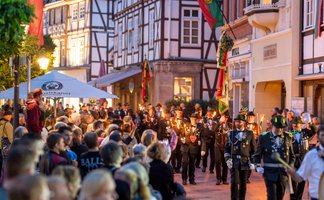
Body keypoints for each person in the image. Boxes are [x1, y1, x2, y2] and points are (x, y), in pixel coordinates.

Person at [254, 115, 295, 200]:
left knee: (280, 197)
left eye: (282, 128)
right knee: (272, 197)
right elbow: (257, 155)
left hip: (283, 174)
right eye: (278, 127)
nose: (280, 130)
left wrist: (290, 165)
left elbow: (292, 156)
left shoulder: (288, 137)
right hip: (269, 172)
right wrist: (257, 166)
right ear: (272, 125)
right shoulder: (263, 137)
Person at [224, 114, 256, 200]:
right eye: (236, 121)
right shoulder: (230, 133)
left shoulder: (250, 133)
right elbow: (226, 149)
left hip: (245, 161)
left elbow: (254, 150)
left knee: (243, 183)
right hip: (234, 161)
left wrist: (253, 162)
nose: (238, 123)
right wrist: (228, 159)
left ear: (244, 122)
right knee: (234, 182)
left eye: (239, 121)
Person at [287, 129, 324, 200]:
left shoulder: (304, 134)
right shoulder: (311, 155)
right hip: (316, 196)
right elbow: (300, 178)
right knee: (295, 186)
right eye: (322, 135)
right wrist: (293, 173)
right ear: (318, 137)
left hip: (301, 160)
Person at [290, 116, 314, 200]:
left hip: (303, 161)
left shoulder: (305, 133)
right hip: (292, 160)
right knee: (293, 182)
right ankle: (293, 198)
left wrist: (310, 122)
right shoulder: (289, 134)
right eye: (294, 124)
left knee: (301, 182)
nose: (296, 125)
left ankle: (299, 197)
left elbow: (314, 131)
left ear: (301, 125)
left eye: (298, 124)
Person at [180, 115, 200, 185]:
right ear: (190, 119)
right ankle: (184, 179)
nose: (193, 120)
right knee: (184, 162)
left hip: (193, 147)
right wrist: (182, 139)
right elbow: (181, 134)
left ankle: (192, 179)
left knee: (192, 164)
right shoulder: (185, 125)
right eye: (192, 119)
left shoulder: (199, 127)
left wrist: (199, 142)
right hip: (185, 147)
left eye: (194, 119)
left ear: (196, 120)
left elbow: (201, 137)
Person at [215, 112, 231, 185]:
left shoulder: (230, 125)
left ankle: (224, 179)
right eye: (224, 117)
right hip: (218, 145)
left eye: (227, 117)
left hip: (226, 146)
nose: (225, 119)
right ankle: (218, 178)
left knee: (225, 163)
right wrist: (219, 123)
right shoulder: (217, 123)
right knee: (218, 162)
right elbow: (213, 130)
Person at [201, 107, 217, 173]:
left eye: (211, 112)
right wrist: (201, 139)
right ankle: (204, 166)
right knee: (205, 154)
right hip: (205, 139)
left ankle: (211, 169)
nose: (210, 113)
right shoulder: (204, 119)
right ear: (207, 112)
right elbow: (201, 129)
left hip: (213, 139)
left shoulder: (215, 119)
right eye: (209, 112)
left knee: (213, 155)